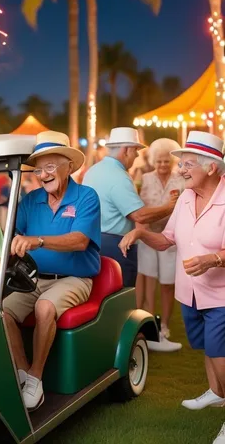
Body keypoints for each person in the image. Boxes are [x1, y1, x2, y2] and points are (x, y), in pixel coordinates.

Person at [118, 131, 225, 443]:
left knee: (220, 353)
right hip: (189, 293)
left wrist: (212, 260)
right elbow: (167, 240)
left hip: (220, 296)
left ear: (212, 168)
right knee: (206, 346)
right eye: (182, 163)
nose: (181, 169)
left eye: (188, 164)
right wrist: (140, 234)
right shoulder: (187, 197)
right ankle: (216, 392)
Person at [3, 131, 101, 411]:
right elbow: (12, 235)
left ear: (69, 166)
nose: (43, 175)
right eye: (38, 169)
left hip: (75, 279)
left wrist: (39, 240)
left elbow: (80, 240)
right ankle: (23, 373)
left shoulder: (86, 196)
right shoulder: (31, 200)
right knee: (2, 311)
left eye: (49, 167)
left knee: (45, 307)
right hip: (34, 278)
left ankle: (36, 378)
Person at [83, 127, 178, 288]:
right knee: (119, 300)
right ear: (126, 150)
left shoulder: (93, 170)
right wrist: (170, 207)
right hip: (116, 246)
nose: (137, 156)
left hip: (91, 242)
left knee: (96, 296)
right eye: (136, 151)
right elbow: (139, 215)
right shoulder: (118, 176)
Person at [137, 138, 185, 352]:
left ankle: (164, 324)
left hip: (170, 238)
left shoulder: (180, 180)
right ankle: (147, 322)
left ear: (172, 162)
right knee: (148, 281)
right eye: (159, 161)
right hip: (147, 236)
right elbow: (137, 207)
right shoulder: (144, 178)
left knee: (167, 283)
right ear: (153, 161)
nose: (163, 165)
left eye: (167, 161)